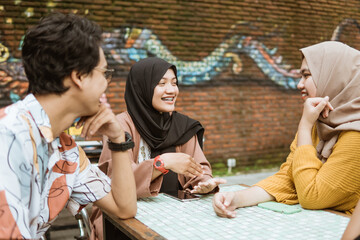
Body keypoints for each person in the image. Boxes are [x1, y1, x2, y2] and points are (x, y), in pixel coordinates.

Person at [0, 13, 137, 239]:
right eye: (105, 73)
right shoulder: (8, 137)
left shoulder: (66, 151)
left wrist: (117, 138)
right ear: (79, 77)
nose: (107, 84)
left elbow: (124, 208)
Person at [213, 41, 360, 218]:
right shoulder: (318, 123)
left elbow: (312, 197)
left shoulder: (354, 136)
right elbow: (288, 177)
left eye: (306, 75)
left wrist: (304, 126)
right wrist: (234, 199)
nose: (299, 84)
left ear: (335, 77)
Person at [90, 57, 226, 240]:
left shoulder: (183, 126)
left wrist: (204, 183)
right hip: (123, 222)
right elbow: (114, 183)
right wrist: (162, 163)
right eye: (161, 83)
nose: (171, 90)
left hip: (175, 220)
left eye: (174, 83)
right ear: (142, 87)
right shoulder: (119, 127)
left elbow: (198, 169)